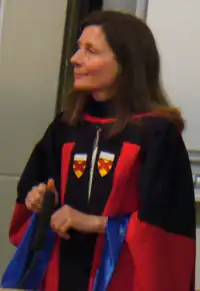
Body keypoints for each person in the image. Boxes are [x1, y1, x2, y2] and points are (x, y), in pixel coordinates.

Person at [3, 10, 196, 291]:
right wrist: (41, 200)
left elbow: (165, 230)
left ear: (126, 64)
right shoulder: (65, 127)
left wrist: (93, 223)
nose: (75, 59)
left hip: (122, 279)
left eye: (90, 51)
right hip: (62, 276)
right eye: (78, 48)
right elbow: (32, 198)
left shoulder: (155, 135)